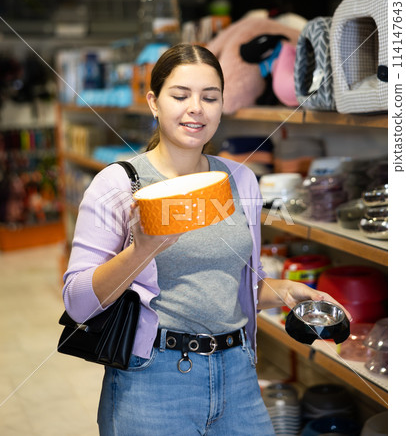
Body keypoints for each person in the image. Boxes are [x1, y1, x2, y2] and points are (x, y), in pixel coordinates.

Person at [62, 43, 351, 436]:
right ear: (154, 102)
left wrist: (284, 290)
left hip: (238, 373)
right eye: (180, 95)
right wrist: (141, 250)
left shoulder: (241, 179)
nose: (196, 107)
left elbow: (238, 281)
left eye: (209, 97)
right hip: (153, 379)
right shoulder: (119, 184)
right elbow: (78, 303)